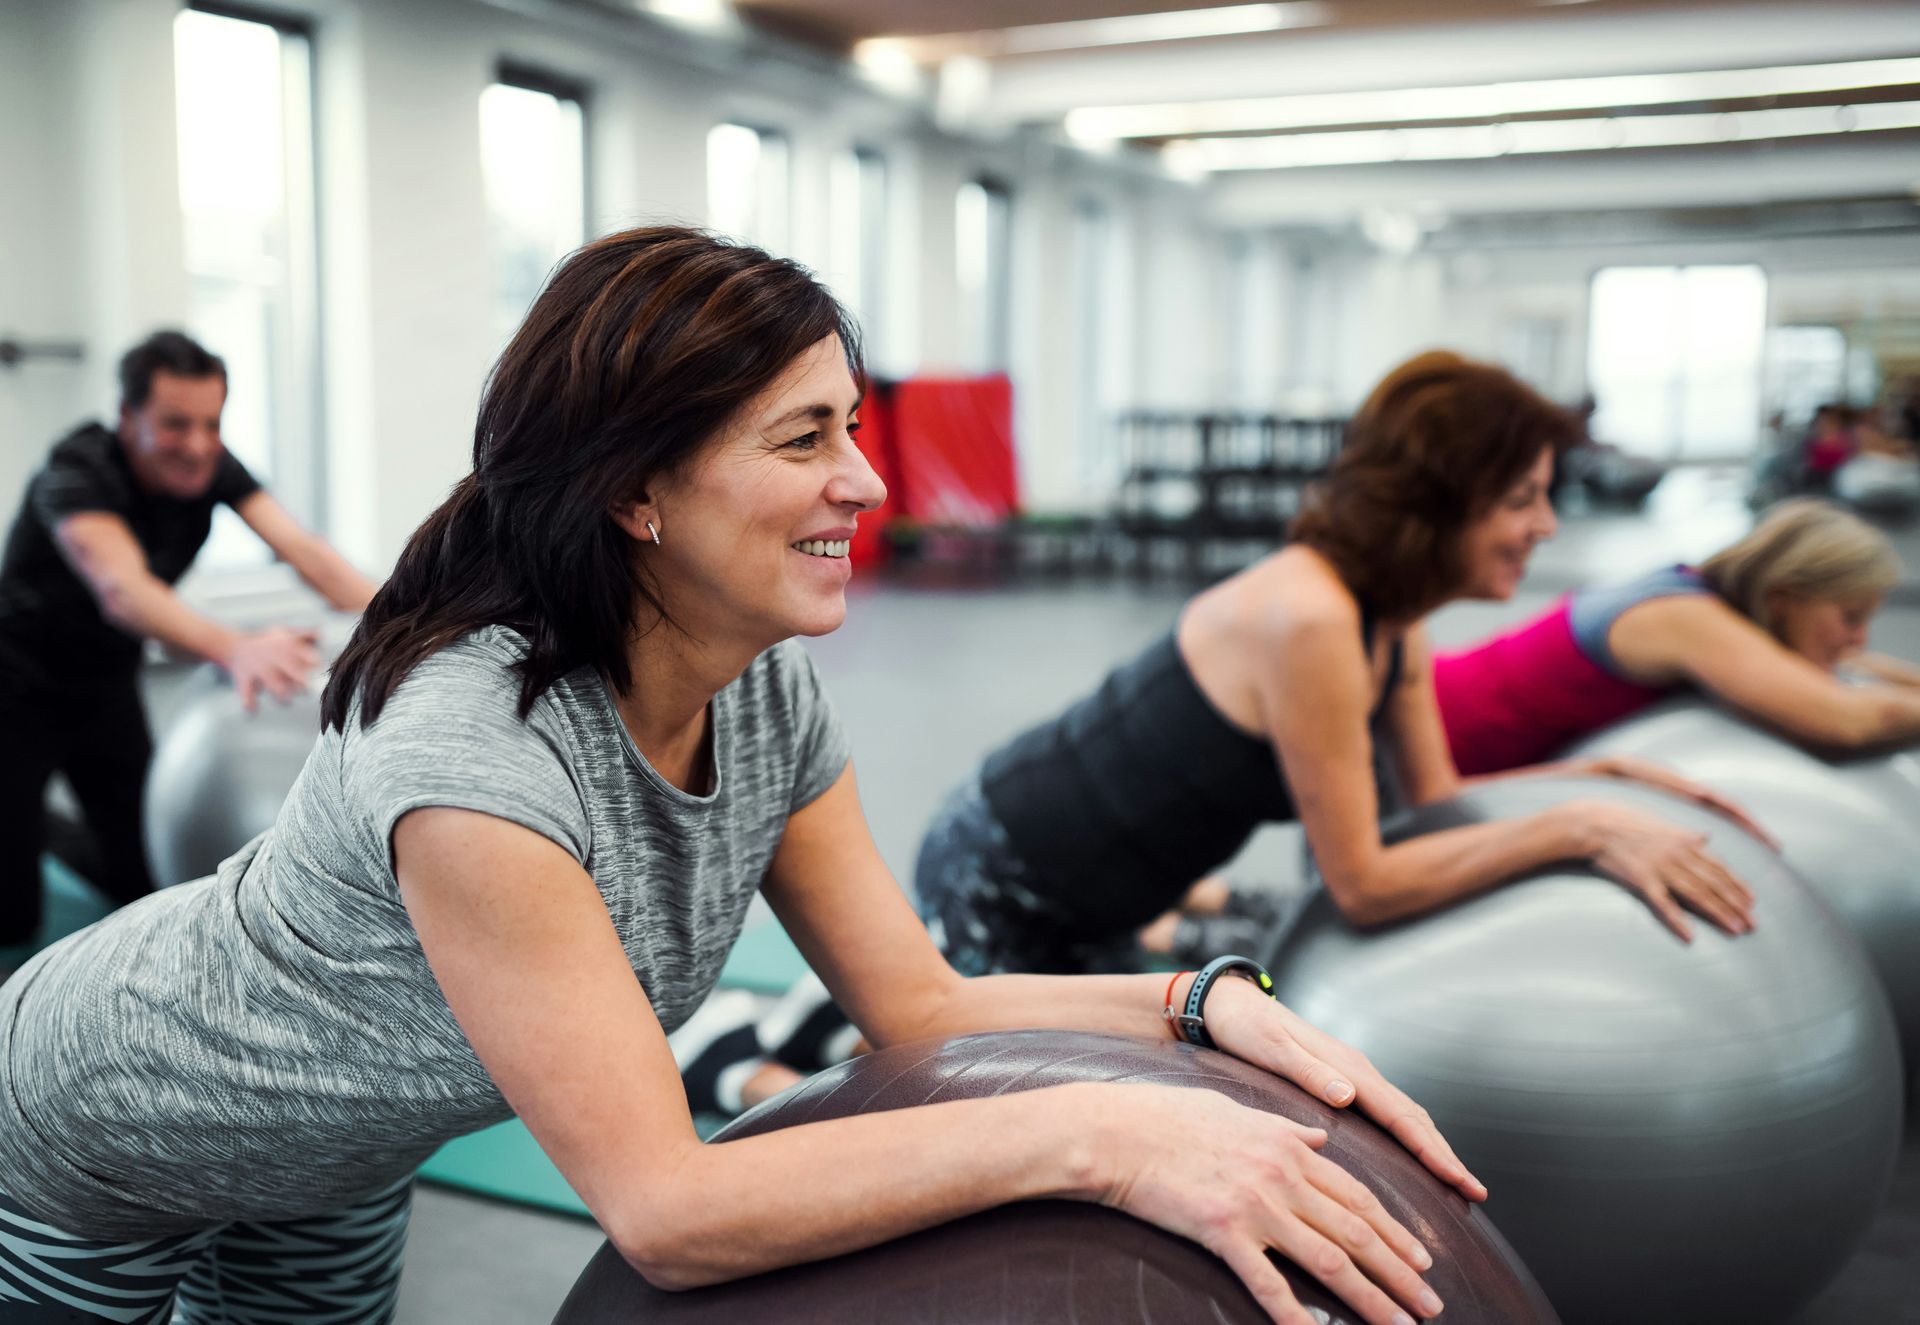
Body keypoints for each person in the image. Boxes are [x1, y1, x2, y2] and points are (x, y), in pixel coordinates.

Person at [0, 229, 1481, 1325]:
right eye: (806, 437)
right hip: (101, 1130)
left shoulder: (759, 682)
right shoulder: (472, 763)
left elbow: (925, 1004)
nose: (871, 480)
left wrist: (1202, 1008)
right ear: (635, 490)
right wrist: (1107, 1133)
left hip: (333, 1164)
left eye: (853, 426)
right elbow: (669, 1208)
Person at [696, 350, 1764, 1118]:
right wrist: (1577, 823)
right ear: (1445, 499)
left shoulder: (1387, 610)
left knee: (1167, 1061)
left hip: (1103, 895)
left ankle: (819, 1013)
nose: (1545, 525)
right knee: (976, 1123)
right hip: (1005, 869)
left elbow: (1435, 796)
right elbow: (1365, 881)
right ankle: (736, 1060)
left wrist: (1590, 778)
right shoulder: (1311, 617)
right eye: (1524, 498)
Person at [0, 331, 377, 965]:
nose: (197, 444)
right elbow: (123, 590)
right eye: (175, 424)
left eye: (212, 423)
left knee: (141, 868)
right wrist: (235, 649)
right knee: (10, 908)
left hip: (104, 685)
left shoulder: (212, 466)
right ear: (128, 418)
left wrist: (415, 620)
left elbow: (305, 552)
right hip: (17, 686)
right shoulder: (77, 470)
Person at [1435, 498, 1920, 772]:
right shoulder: (1685, 618)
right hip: (1422, 728)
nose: (1859, 638)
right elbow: (1844, 720)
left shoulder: (1709, 602)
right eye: (1851, 617)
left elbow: (1855, 666)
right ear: (1781, 598)